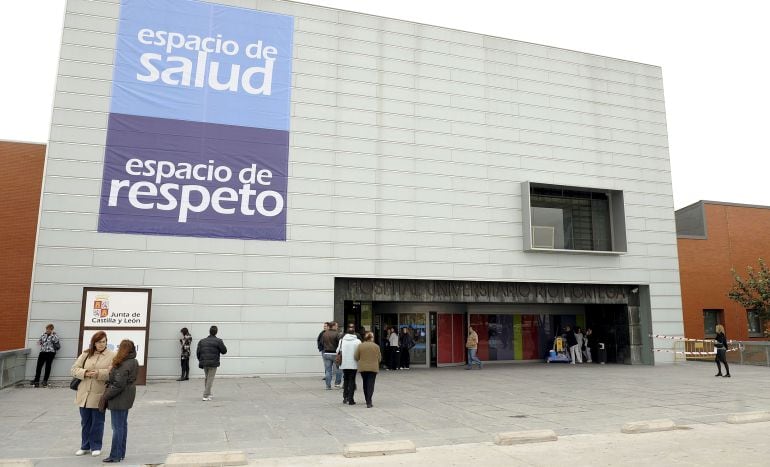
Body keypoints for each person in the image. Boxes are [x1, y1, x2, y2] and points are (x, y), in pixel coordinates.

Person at [71, 331, 115, 457]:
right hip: (84, 394)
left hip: (99, 394)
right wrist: (85, 372)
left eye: (103, 341)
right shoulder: (85, 354)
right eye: (98, 342)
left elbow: (113, 373)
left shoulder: (112, 355)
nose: (101, 344)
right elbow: (74, 369)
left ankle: (96, 446)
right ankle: (85, 446)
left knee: (98, 422)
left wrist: (99, 373)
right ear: (94, 343)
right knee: (85, 422)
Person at [101, 339, 139, 463]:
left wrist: (106, 396)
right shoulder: (133, 361)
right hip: (127, 397)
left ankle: (115, 455)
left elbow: (118, 385)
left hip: (119, 399)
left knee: (117, 427)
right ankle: (121, 453)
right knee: (122, 426)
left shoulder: (123, 364)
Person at [196, 325, 227, 401]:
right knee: (210, 378)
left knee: (207, 378)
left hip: (204, 362)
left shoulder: (202, 341)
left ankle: (209, 393)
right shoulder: (218, 341)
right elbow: (224, 351)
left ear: (209, 331)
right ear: (216, 332)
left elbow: (198, 352)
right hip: (213, 363)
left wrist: (201, 360)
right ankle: (205, 395)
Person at [355, 332, 381, 408]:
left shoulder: (360, 346)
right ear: (372, 338)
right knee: (371, 384)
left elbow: (356, 357)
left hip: (363, 368)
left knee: (365, 383)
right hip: (373, 368)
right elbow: (379, 358)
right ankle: (369, 401)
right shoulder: (376, 346)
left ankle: (367, 399)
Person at [337, 326, 361, 404]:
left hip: (344, 363)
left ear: (346, 333)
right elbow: (360, 352)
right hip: (354, 363)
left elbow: (338, 350)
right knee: (352, 380)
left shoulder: (342, 340)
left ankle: (345, 397)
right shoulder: (358, 341)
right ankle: (351, 399)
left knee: (346, 379)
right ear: (354, 333)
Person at [32, 323, 60, 387]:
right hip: (42, 352)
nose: (47, 330)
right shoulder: (43, 335)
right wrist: (39, 342)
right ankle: (36, 380)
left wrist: (52, 335)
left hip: (50, 353)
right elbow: (40, 341)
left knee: (48, 367)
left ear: (52, 329)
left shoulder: (54, 336)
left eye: (49, 329)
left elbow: (56, 342)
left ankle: (45, 381)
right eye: (47, 329)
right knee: (39, 366)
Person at [320, 322, 340, 390]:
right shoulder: (337, 334)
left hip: (326, 353)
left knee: (328, 370)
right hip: (335, 354)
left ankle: (328, 386)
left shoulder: (324, 333)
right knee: (338, 369)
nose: (337, 327)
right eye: (336, 326)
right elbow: (339, 343)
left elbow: (321, 343)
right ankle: (337, 383)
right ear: (333, 326)